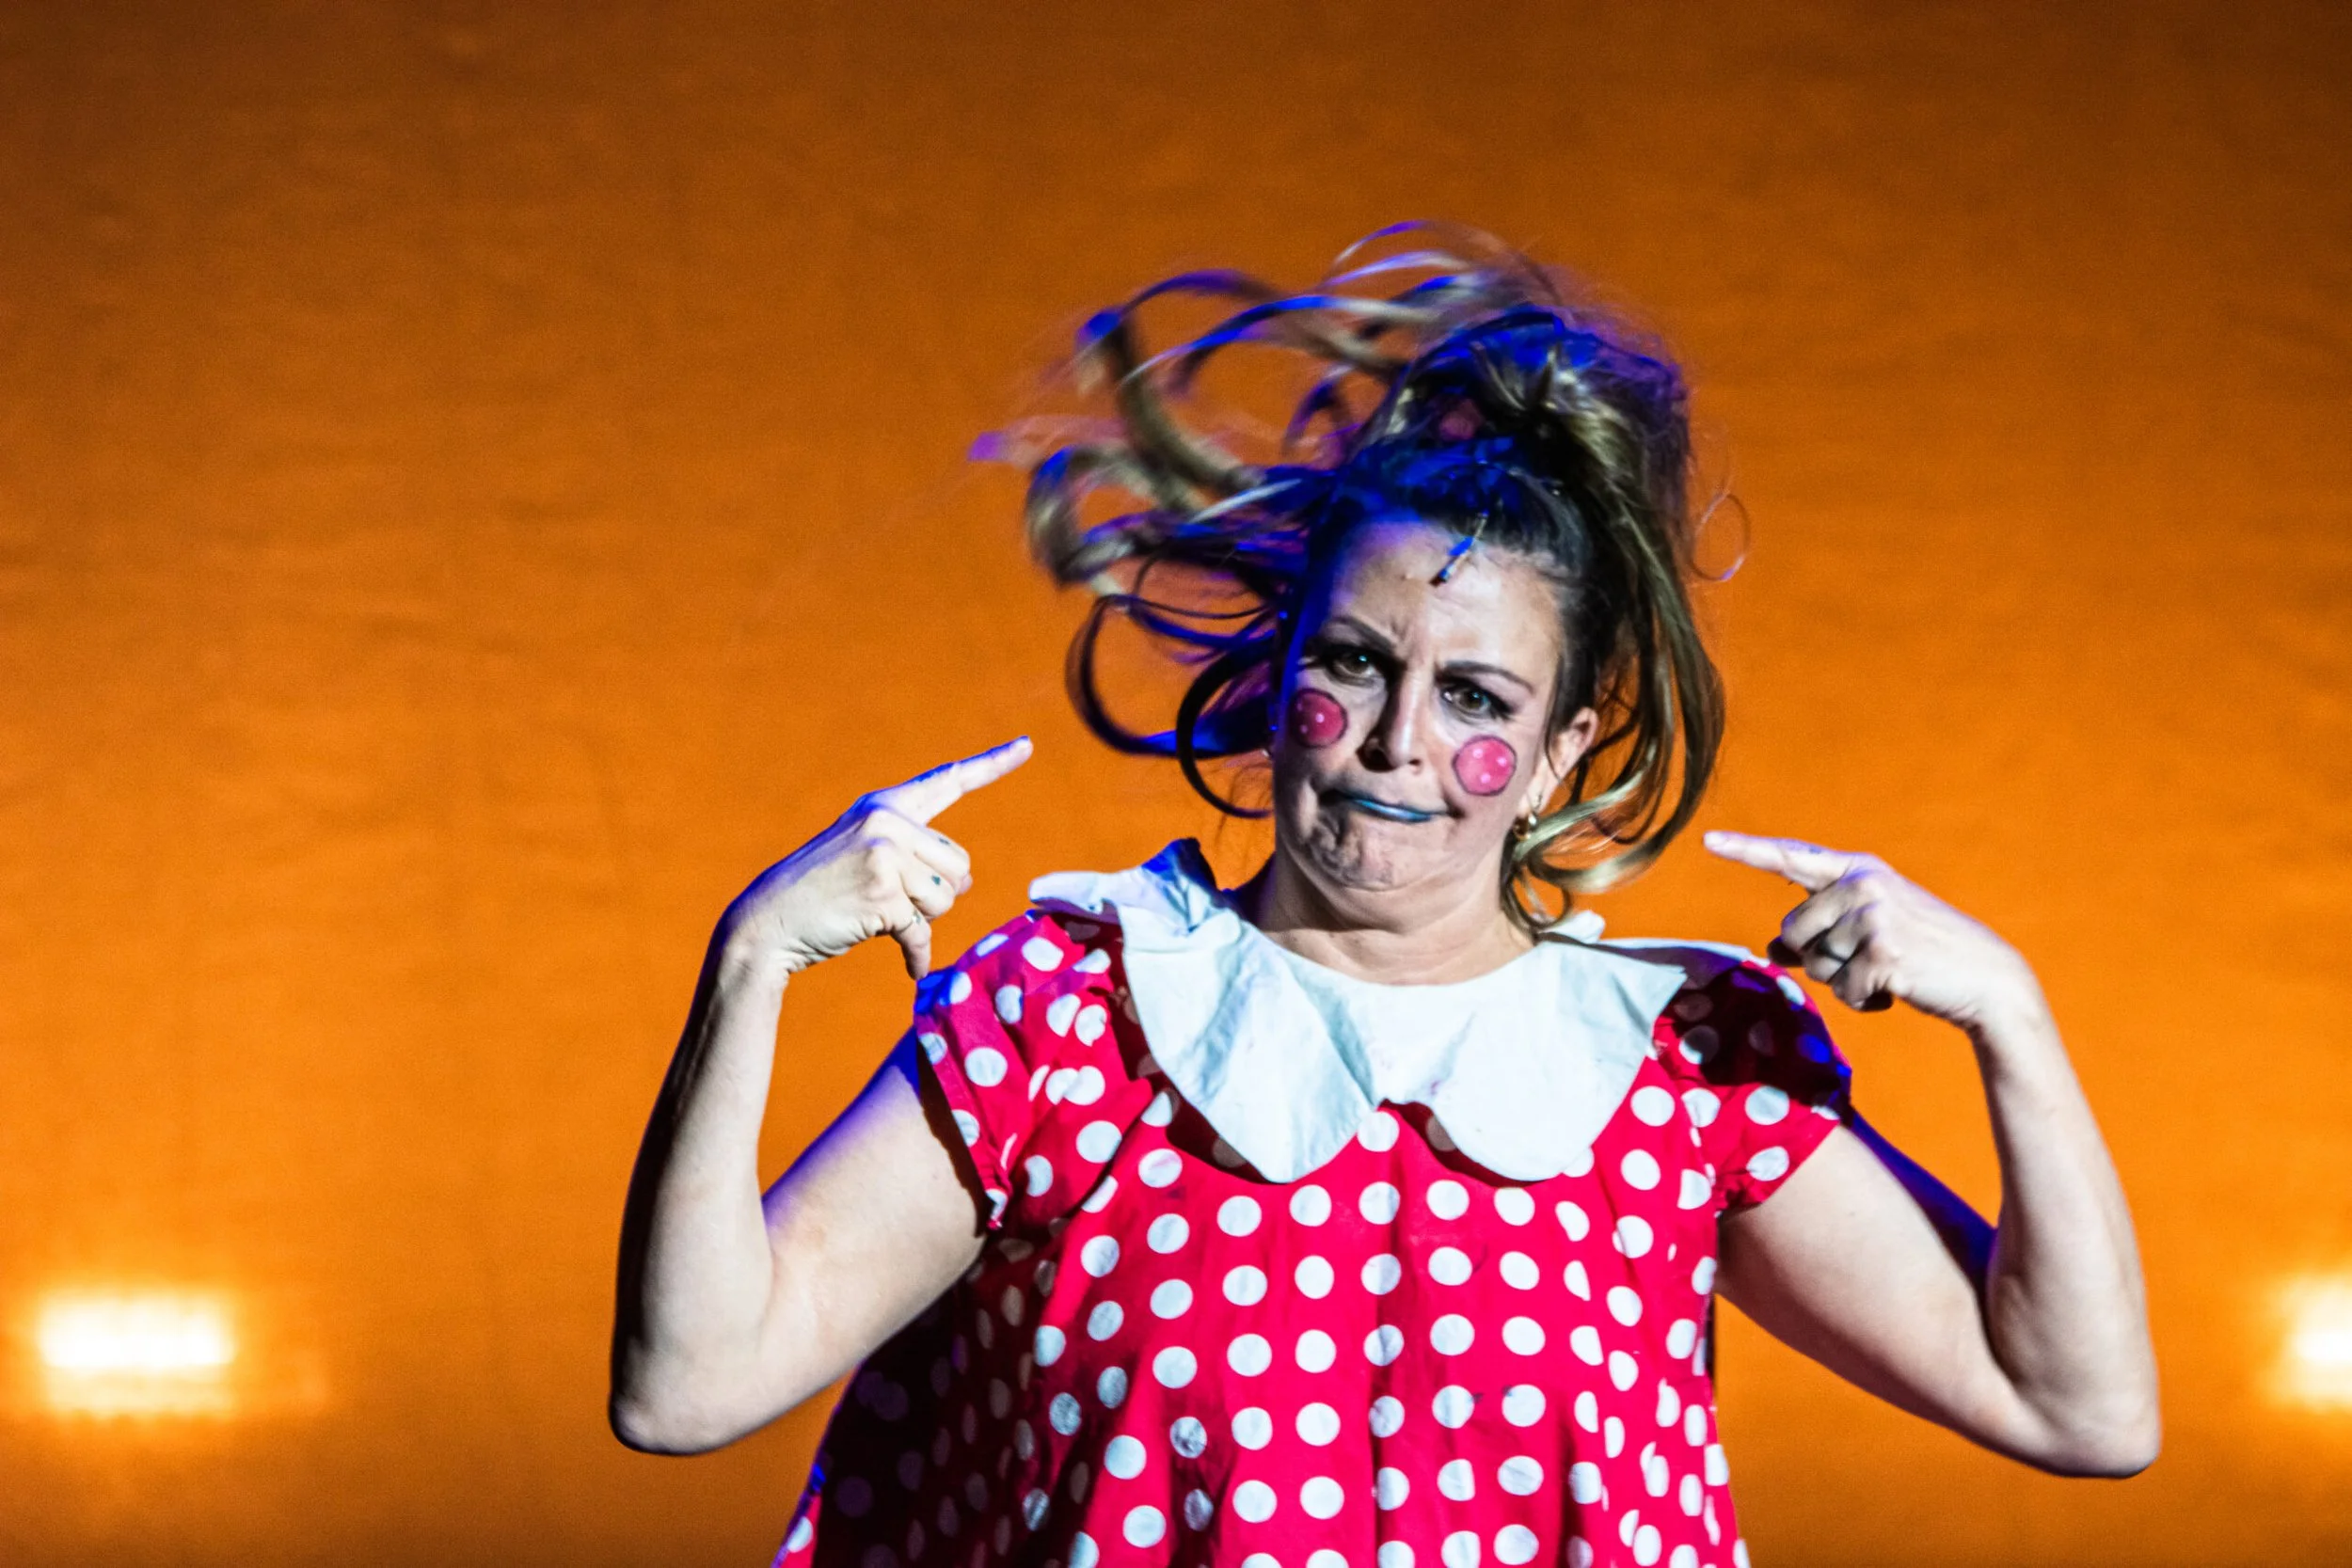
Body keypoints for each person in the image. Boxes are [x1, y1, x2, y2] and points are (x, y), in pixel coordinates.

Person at [608, 229, 2157, 1568]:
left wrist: (2010, 1015)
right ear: (1281, 678)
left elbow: (2080, 1406)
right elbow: (686, 1385)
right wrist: (752, 959)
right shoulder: (1071, 1022)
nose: (1401, 739)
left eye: (1476, 695)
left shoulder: (1681, 1071)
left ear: (1555, 756)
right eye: (1355, 664)